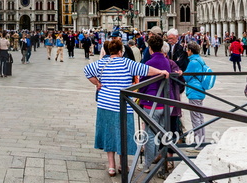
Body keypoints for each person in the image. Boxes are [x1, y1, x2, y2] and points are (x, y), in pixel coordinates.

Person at [85, 37, 170, 177]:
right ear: (120, 51)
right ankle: (123, 164)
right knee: (123, 135)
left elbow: (87, 70)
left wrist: (97, 83)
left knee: (109, 134)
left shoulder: (102, 63)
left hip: (105, 104)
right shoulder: (126, 62)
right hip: (122, 106)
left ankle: (111, 166)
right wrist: (161, 72)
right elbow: (145, 69)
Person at [139, 34, 182, 170]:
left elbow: (143, 83)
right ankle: (162, 164)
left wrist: (139, 94)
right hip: (166, 103)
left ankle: (147, 166)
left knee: (150, 135)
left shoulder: (149, 63)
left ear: (150, 48)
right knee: (162, 133)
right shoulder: (166, 62)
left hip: (152, 104)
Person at [183, 42, 208, 146]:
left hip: (194, 91)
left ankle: (198, 143)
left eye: (187, 50)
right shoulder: (200, 60)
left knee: (195, 118)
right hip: (200, 90)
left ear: (190, 50)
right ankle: (201, 141)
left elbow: (186, 77)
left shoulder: (193, 62)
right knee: (200, 117)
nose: (186, 52)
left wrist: (182, 73)